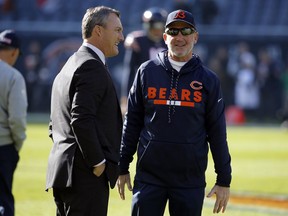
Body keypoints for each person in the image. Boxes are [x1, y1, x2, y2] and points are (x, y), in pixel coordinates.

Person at [117, 9, 232, 216]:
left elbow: (217, 132)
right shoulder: (146, 71)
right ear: (165, 37)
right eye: (173, 31)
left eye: (186, 31)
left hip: (190, 179)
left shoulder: (209, 80)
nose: (180, 37)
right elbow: (132, 122)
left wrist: (224, 179)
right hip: (149, 178)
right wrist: (123, 165)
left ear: (195, 37)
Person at [45, 6, 124, 216]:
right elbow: (80, 119)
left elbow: (55, 124)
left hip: (64, 172)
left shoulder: (70, 63)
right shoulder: (91, 66)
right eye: (117, 30)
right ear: (98, 31)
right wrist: (98, 162)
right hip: (85, 175)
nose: (121, 37)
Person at [0, 29, 27, 216]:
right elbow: (17, 119)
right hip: (3, 146)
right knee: (3, 201)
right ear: (14, 51)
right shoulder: (13, 76)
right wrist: (17, 144)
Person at [121, 7, 168, 112]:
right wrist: (126, 96)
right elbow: (129, 71)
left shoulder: (169, 42)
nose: (157, 31)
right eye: (154, 27)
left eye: (160, 27)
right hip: (143, 90)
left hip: (165, 90)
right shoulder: (138, 42)